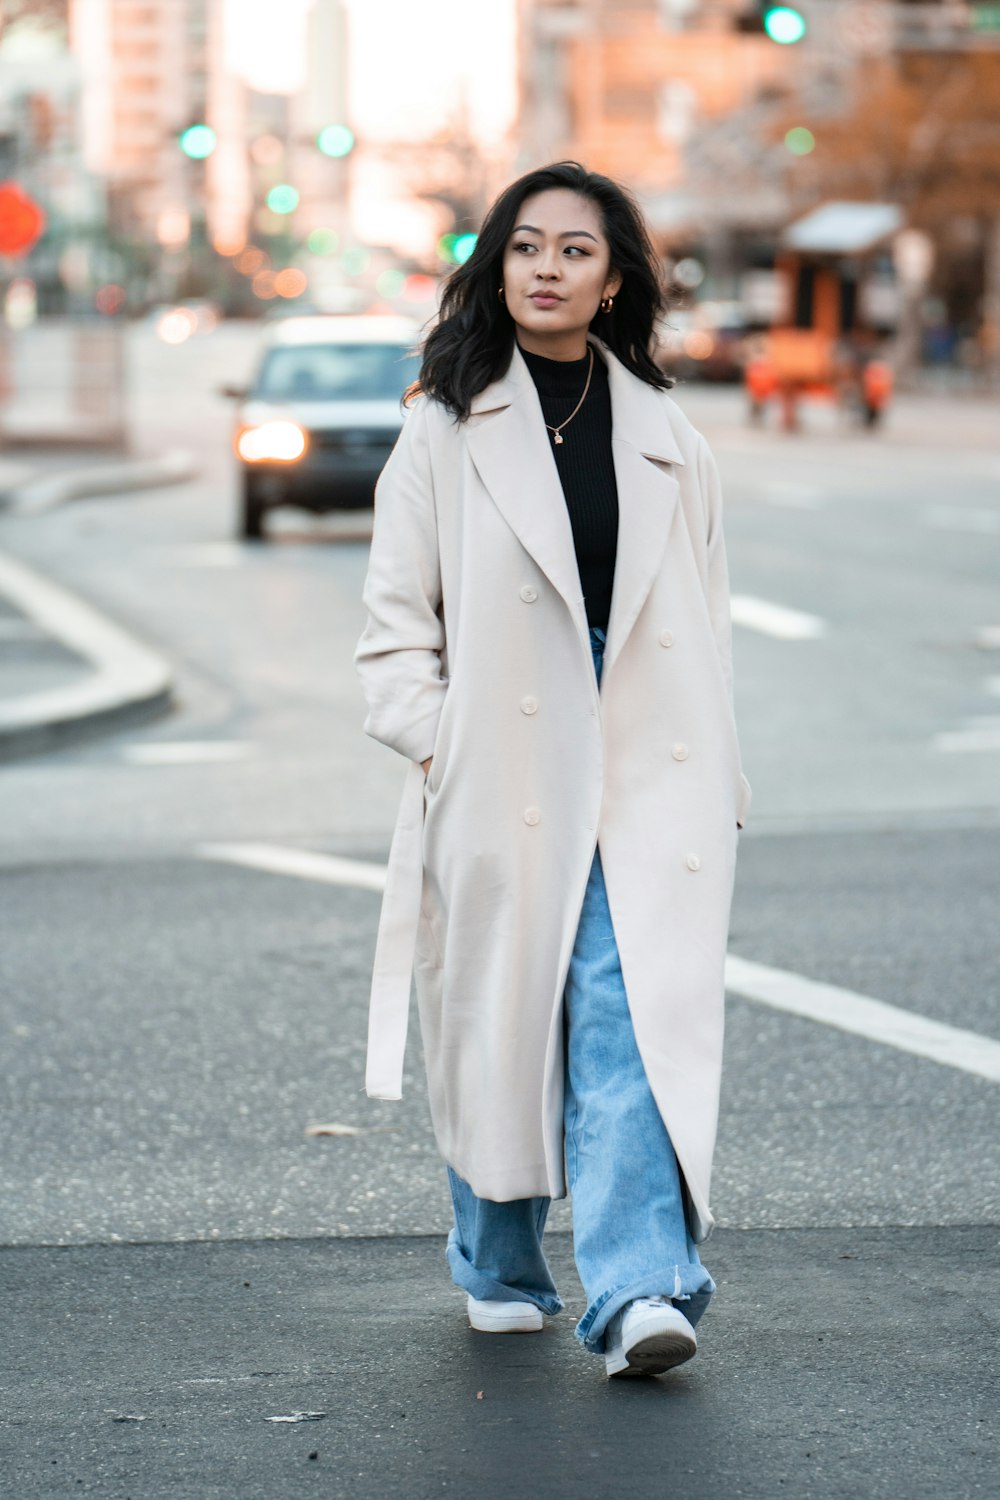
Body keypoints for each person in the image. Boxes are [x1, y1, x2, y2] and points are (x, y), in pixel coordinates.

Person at [355, 161, 750, 1379]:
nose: (546, 268)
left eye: (575, 250)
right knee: (502, 1012)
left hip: (642, 756)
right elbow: (391, 630)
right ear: (494, 266)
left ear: (614, 278)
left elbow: (709, 625)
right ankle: (498, 1257)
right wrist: (439, 739)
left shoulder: (668, 435)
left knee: (627, 1008)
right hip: (508, 752)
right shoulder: (441, 422)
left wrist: (721, 777)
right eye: (525, 246)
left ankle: (639, 1287)